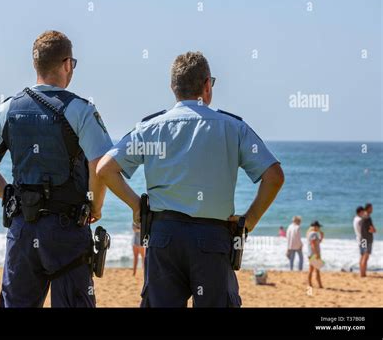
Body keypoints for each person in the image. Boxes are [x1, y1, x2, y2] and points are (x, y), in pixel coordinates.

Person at [97, 51, 284, 307]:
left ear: (173, 87)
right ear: (207, 85)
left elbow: (106, 169)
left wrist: (137, 206)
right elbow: (274, 176)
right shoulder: (233, 127)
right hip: (213, 238)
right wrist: (247, 222)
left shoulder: (151, 127)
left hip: (163, 237)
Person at [0, 31, 113, 307]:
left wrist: (11, 198)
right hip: (67, 231)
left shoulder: (8, 109)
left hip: (22, 230)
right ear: (67, 64)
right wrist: (95, 205)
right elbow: (102, 167)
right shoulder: (80, 110)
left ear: (35, 64)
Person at [360, 203, 377, 277]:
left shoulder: (363, 217)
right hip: (368, 240)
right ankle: (363, 274)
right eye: (371, 208)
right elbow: (372, 229)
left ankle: (362, 273)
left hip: (363, 239)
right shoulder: (368, 218)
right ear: (368, 208)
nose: (372, 209)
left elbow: (363, 229)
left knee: (363, 255)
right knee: (366, 256)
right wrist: (374, 230)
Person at [307, 221, 323, 288]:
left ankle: (310, 284)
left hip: (311, 253)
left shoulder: (309, 233)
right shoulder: (314, 234)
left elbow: (317, 242)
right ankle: (320, 285)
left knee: (311, 270)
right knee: (317, 270)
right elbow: (313, 244)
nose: (319, 228)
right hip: (314, 254)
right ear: (315, 227)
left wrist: (321, 236)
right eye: (318, 227)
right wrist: (316, 254)